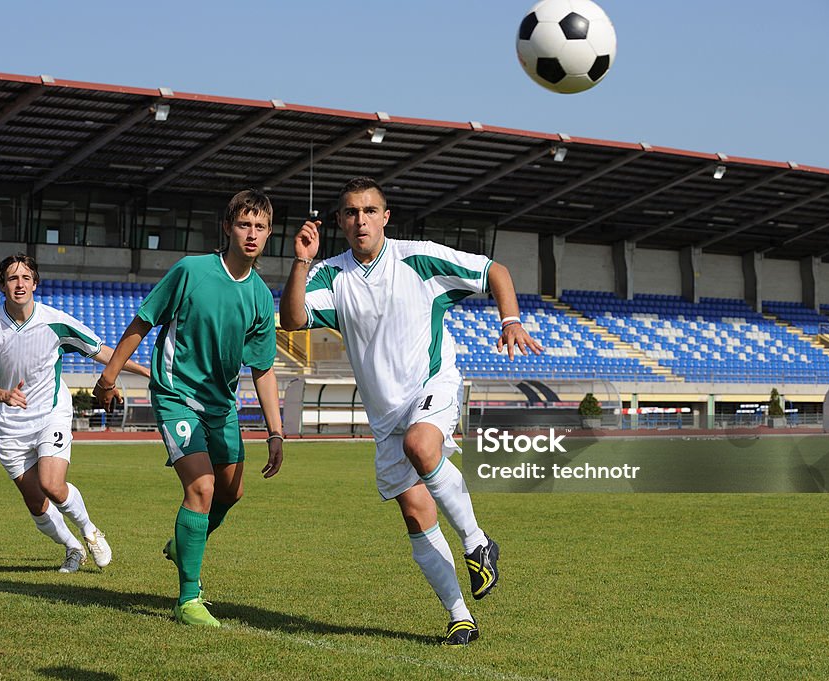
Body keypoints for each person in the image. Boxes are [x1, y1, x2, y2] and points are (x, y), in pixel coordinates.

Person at [280, 177, 542, 646]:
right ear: (340, 221)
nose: (361, 219)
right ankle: (460, 615)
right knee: (416, 513)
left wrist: (511, 320)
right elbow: (294, 319)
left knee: (421, 446)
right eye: (352, 212)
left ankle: (477, 541)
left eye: (369, 210)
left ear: (386, 216)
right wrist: (301, 261)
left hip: (432, 385)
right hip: (384, 416)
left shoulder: (418, 258)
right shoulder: (330, 275)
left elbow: (495, 271)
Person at [93, 189, 285, 628]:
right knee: (200, 488)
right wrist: (109, 378)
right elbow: (143, 321)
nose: (251, 234)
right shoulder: (191, 271)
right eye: (244, 224)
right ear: (227, 227)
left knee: (231, 491)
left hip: (221, 406)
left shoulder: (259, 295)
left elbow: (262, 369)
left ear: (269, 233)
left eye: (260, 227)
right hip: (176, 395)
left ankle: (183, 542)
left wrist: (275, 433)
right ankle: (188, 598)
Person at [0, 253, 150, 573]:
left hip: (50, 413)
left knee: (52, 484)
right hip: (9, 424)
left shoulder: (55, 320)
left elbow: (103, 352)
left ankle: (90, 531)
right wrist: (3, 395)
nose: (20, 284)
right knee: (35, 502)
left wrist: (146, 372)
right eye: (12, 278)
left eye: (26, 278)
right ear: (2, 285)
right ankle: (72, 549)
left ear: (35, 284)